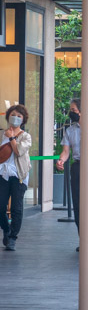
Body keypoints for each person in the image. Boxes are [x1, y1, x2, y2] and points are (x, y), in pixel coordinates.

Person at [0, 105, 30, 252]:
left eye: (19, 116)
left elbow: (18, 151)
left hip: (19, 176)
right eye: (13, 115)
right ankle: (6, 229)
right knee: (1, 206)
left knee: (16, 208)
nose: (16, 118)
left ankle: (12, 238)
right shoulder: (2, 134)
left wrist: (11, 137)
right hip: (3, 174)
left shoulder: (26, 136)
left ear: (23, 120)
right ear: (8, 116)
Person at [57, 99, 82, 249]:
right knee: (78, 205)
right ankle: (83, 240)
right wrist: (61, 160)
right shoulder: (70, 131)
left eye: (73, 110)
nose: (71, 113)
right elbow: (66, 151)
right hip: (77, 167)